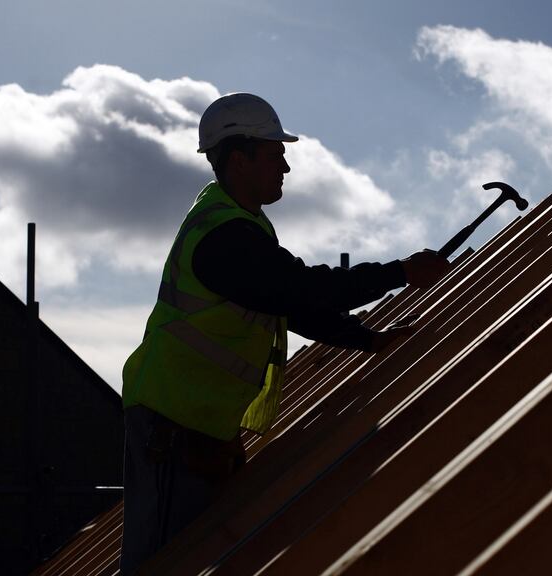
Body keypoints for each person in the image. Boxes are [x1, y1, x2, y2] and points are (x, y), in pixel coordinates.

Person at [118, 93, 450, 574]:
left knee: (194, 555)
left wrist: (367, 340)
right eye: (276, 155)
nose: (286, 168)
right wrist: (399, 272)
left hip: (196, 422)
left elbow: (288, 304)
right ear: (239, 157)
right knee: (164, 562)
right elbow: (303, 289)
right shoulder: (224, 237)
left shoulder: (242, 225)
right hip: (171, 424)